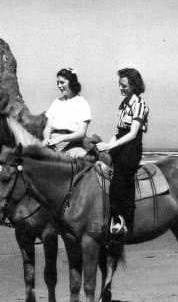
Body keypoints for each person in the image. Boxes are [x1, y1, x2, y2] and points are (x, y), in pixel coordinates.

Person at [96, 67, 149, 241]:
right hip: (119, 143)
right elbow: (119, 131)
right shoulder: (123, 104)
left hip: (131, 148)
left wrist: (112, 145)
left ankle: (121, 221)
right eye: (119, 85)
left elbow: (132, 134)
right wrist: (106, 146)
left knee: (119, 181)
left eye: (123, 85)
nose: (120, 88)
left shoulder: (139, 105)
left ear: (133, 85)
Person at [42, 67, 92, 158]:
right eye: (57, 83)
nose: (59, 86)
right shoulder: (56, 102)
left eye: (62, 82)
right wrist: (46, 139)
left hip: (72, 147)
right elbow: (47, 128)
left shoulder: (82, 103)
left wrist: (61, 138)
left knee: (85, 161)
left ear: (72, 83)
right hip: (51, 146)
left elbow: (81, 133)